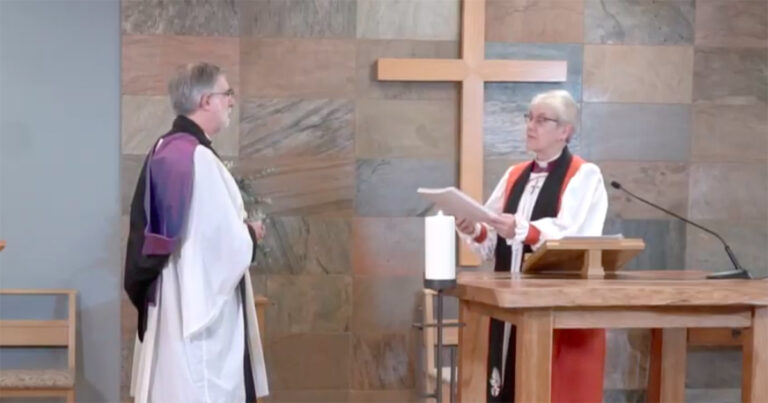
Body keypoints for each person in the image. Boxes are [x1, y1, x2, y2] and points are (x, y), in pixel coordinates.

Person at [124, 62, 269, 402]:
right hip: (196, 309)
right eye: (227, 93)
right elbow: (219, 244)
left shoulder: (167, 149)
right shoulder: (195, 159)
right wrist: (249, 234)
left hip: (174, 294)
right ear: (206, 100)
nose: (231, 101)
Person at [456, 90, 608, 402]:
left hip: (554, 305)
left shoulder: (584, 175)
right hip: (510, 304)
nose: (530, 126)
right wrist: (476, 229)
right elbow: (494, 237)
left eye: (541, 120)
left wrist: (524, 229)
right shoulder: (515, 175)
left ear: (565, 131)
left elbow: (573, 234)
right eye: (529, 117)